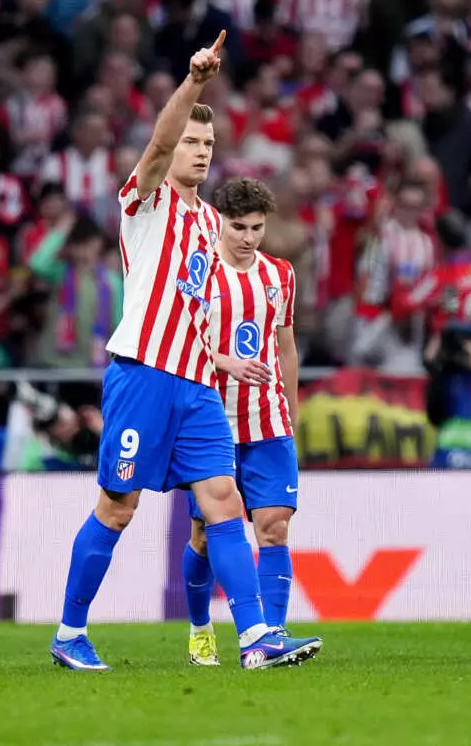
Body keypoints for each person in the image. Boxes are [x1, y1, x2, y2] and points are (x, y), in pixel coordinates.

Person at [50, 32, 322, 673]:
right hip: (142, 375)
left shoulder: (208, 222)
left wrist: (219, 359)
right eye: (192, 143)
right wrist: (196, 81)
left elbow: (193, 309)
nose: (199, 153)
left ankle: (255, 638)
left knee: (223, 500)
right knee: (118, 506)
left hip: (198, 383)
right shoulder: (145, 202)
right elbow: (157, 146)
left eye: (208, 145)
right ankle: (69, 631)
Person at [181, 177, 300, 667]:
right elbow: (181, 344)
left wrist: (290, 412)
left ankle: (269, 635)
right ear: (220, 222)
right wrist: (225, 362)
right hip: (212, 424)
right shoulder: (200, 272)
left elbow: (287, 348)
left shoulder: (281, 275)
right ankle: (199, 627)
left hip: (268, 422)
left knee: (273, 526)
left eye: (257, 227)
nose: (248, 237)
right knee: (205, 538)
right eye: (238, 226)